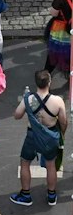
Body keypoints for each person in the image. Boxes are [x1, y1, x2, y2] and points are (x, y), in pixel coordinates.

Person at [12, 65, 66, 206]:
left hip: (32, 136)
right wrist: (62, 135)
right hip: (50, 136)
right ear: (49, 82)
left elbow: (17, 116)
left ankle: (25, 195)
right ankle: (51, 196)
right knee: (51, 165)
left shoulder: (28, 99)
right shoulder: (58, 101)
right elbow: (64, 122)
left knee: (25, 162)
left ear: (36, 83)